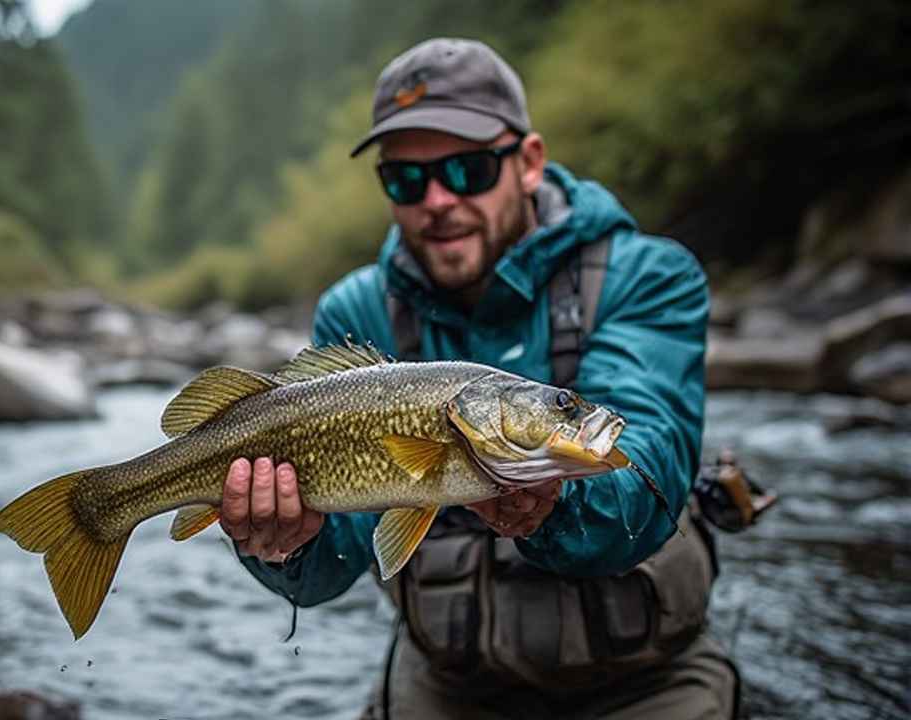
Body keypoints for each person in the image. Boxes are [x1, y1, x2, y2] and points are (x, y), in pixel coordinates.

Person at [219, 38, 738, 719]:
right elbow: (333, 563)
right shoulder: (357, 312)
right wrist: (284, 545)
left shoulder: (648, 276)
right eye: (405, 180)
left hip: (644, 684)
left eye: (466, 170)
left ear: (528, 163)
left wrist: (557, 503)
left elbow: (652, 453)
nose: (436, 200)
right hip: (450, 684)